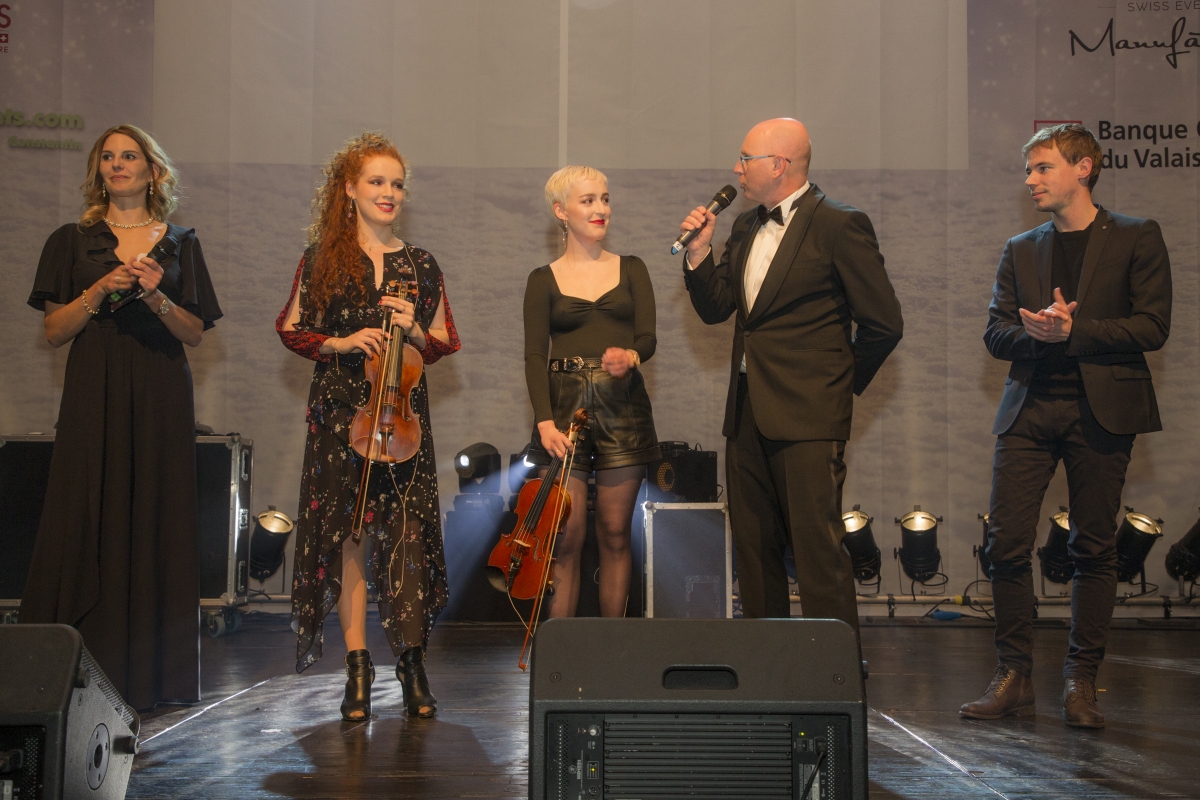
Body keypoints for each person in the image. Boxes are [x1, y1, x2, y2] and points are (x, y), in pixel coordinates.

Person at [961, 124, 1171, 729]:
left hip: (1102, 410)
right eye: (1028, 170)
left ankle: (1081, 680)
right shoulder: (1021, 247)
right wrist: (1036, 332)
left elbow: (1153, 326)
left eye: (1043, 167)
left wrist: (1075, 331)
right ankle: (1014, 675)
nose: (1031, 180)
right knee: (1004, 543)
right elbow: (996, 332)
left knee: (1092, 547)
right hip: (1029, 408)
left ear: (1084, 168)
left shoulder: (1135, 235)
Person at [22, 124, 222, 711]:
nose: (117, 164)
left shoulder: (181, 243)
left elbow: (194, 333)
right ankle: (76, 666)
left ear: (152, 170)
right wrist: (99, 290)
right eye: (107, 157)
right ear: (98, 171)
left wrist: (156, 296)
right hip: (95, 386)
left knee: (157, 510)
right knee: (86, 507)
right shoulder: (71, 239)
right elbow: (54, 332)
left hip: (161, 388)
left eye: (129, 156)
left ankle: (155, 676)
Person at [677, 118, 902, 628]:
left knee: (816, 548)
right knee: (754, 549)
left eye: (745, 158)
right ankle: (767, 662)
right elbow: (717, 310)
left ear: (779, 165)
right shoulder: (744, 225)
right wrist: (698, 253)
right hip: (746, 411)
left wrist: (834, 386)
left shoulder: (840, 224)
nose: (737, 169)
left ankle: (832, 665)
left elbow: (884, 323)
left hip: (809, 414)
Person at [277, 132, 460, 722]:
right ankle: (358, 664)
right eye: (377, 181)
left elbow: (445, 341)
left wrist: (415, 330)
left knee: (406, 534)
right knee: (349, 535)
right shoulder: (322, 258)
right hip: (340, 413)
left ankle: (411, 661)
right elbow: (291, 328)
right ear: (349, 188)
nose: (389, 192)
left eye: (397, 184)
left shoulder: (421, 264)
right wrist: (341, 341)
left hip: (401, 417)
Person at [523, 165, 660, 618]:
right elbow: (533, 356)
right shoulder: (542, 279)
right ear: (561, 211)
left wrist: (631, 356)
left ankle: (612, 646)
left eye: (605, 198)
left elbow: (648, 339)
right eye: (588, 200)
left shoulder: (632, 268)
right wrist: (544, 422)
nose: (601, 208)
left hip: (623, 408)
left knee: (616, 533)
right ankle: (560, 649)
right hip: (565, 411)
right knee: (565, 536)